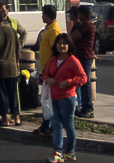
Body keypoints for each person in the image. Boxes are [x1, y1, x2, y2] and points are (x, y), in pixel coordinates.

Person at [42, 32, 87, 162]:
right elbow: (45, 75)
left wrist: (69, 82)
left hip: (67, 99)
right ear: (55, 45)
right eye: (59, 43)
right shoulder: (53, 60)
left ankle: (70, 152)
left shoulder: (73, 60)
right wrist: (48, 79)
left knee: (68, 126)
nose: (62, 46)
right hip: (53, 99)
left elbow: (83, 78)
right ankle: (58, 153)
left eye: (64, 43)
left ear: (69, 45)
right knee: (56, 126)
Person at [32, 4, 63, 136]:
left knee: (49, 99)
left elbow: (56, 52)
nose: (42, 16)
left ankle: (50, 125)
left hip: (51, 70)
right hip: (46, 68)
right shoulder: (48, 29)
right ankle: (46, 124)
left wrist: (50, 69)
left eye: (43, 14)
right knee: (46, 99)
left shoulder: (54, 31)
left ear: (47, 15)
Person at [70, 5, 96, 119]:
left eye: (79, 14)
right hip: (82, 56)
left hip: (85, 56)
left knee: (86, 83)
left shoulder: (86, 24)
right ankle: (84, 107)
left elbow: (73, 36)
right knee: (83, 83)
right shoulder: (86, 25)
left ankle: (88, 108)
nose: (78, 16)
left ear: (84, 14)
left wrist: (76, 37)